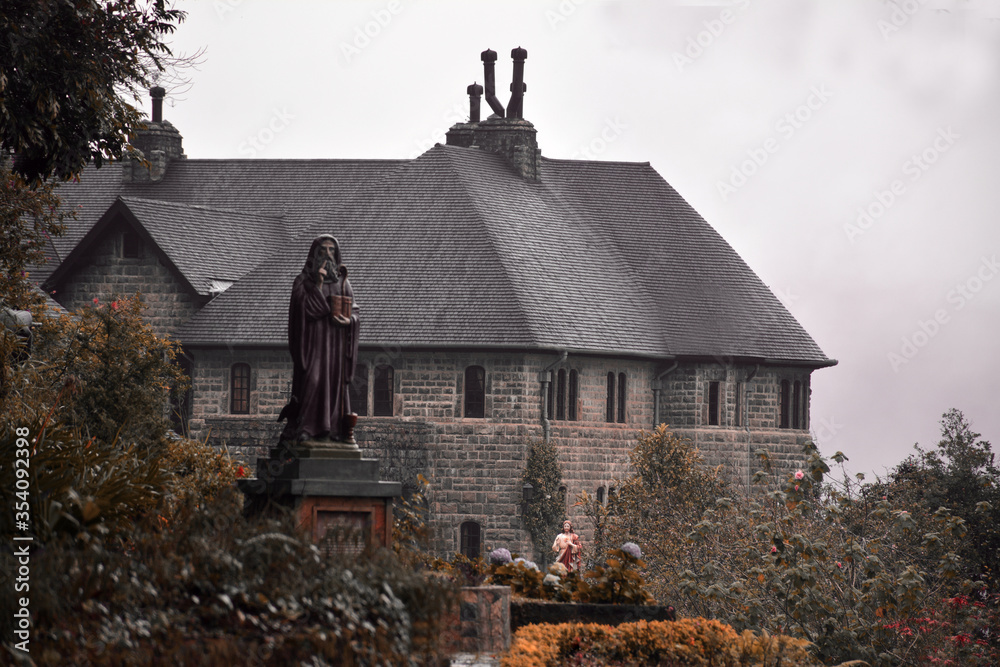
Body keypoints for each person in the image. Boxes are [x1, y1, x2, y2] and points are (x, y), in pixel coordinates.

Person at [278, 234, 359, 444]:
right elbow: (301, 311)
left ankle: (334, 430)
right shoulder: (302, 283)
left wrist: (349, 322)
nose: (328, 255)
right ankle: (305, 428)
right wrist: (318, 285)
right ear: (314, 254)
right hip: (313, 346)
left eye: (332, 250)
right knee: (312, 381)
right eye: (323, 250)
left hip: (336, 348)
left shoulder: (343, 284)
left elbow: (355, 313)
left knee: (336, 387)